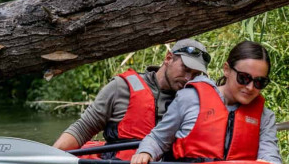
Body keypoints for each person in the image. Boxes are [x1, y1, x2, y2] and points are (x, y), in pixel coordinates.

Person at [130, 40, 281, 164]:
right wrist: (146, 152)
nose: (250, 87)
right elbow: (158, 139)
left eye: (260, 82)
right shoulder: (190, 98)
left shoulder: (265, 117)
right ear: (227, 70)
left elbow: (270, 159)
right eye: (243, 78)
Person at [52, 38, 210, 152]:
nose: (189, 78)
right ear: (168, 58)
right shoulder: (120, 87)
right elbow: (83, 129)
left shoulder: (192, 99)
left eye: (196, 74)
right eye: (185, 69)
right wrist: (53, 155)